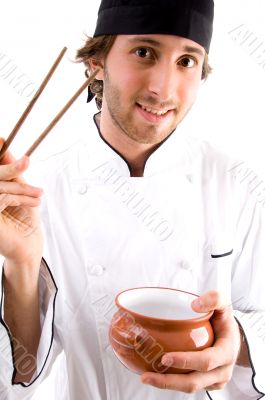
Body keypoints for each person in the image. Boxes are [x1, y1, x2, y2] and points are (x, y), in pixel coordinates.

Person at [0, 0, 265, 399]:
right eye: (144, 52)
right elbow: (20, 375)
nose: (163, 88)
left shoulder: (238, 185)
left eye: (187, 61)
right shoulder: (37, 190)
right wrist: (21, 263)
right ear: (96, 62)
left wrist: (238, 342)